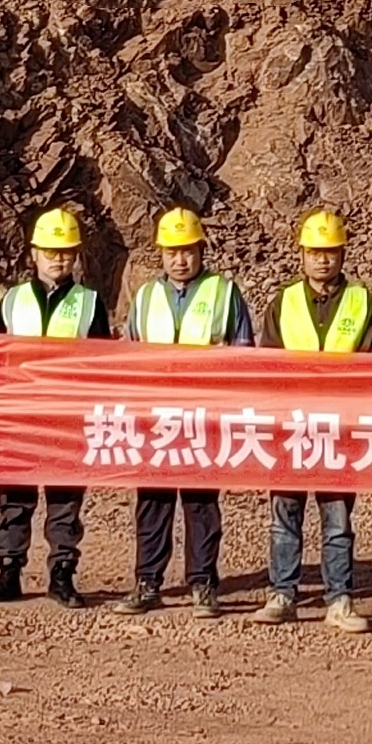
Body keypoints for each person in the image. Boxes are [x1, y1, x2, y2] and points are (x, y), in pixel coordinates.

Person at [258, 209, 372, 632]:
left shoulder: (363, 302)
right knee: (284, 515)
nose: (322, 260)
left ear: (343, 253)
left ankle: (339, 598)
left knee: (337, 520)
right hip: (291, 428)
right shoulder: (284, 302)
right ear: (302, 255)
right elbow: (268, 365)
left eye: (330, 252)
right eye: (314, 252)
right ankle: (282, 594)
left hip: (340, 429)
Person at [123, 206, 245, 617]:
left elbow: (244, 354)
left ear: (201, 250)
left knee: (201, 503)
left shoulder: (224, 293)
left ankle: (203, 583)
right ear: (161, 253)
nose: (180, 259)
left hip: (203, 418)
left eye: (188, 250)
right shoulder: (145, 297)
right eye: (172, 251)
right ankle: (148, 581)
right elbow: (128, 353)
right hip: (156, 419)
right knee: (153, 501)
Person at [0, 207, 103, 607]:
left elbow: (104, 364)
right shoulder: (12, 300)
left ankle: (62, 575)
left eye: (66, 252)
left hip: (68, 419)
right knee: (14, 500)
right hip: (19, 417)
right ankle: (8, 571)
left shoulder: (90, 304)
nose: (58, 259)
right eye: (51, 251)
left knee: (65, 503)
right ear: (33, 253)